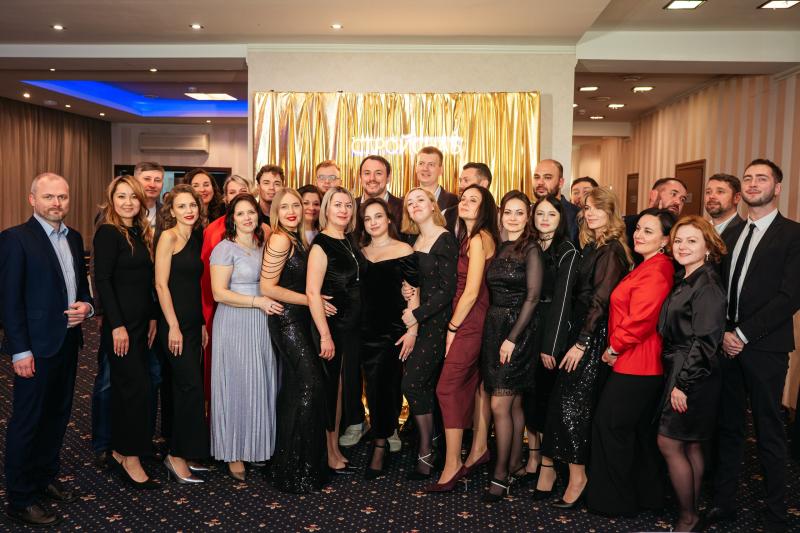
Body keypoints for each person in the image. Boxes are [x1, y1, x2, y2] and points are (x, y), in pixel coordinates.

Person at [707, 159, 800, 533]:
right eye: (747, 178)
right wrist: (722, 334)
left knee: (768, 429)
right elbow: (717, 289)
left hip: (764, 348)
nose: (753, 183)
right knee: (728, 427)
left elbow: (789, 297)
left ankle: (777, 513)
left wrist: (741, 335)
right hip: (725, 346)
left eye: (762, 178)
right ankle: (724, 502)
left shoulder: (793, 235)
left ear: (777, 188)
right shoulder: (730, 234)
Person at [0, 173, 94, 527]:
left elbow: (80, 289)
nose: (57, 203)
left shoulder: (74, 237)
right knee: (28, 421)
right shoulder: (15, 239)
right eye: (49, 197)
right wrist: (20, 351)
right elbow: (8, 302)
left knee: (57, 416)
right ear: (32, 200)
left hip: (68, 342)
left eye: (62, 197)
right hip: (34, 350)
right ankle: (20, 498)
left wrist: (87, 307)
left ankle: (43, 478)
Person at [541, 187, 632, 509]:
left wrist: (582, 342)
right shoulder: (592, 245)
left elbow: (600, 301)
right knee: (567, 406)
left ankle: (579, 478)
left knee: (573, 408)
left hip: (591, 337)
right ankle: (576, 474)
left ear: (611, 213)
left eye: (598, 208)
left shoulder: (611, 250)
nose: (590, 213)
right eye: (587, 208)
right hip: (581, 331)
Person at [587, 208, 676, 516]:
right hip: (635, 361)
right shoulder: (646, 265)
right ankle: (646, 496)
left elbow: (642, 319)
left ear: (665, 240)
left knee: (610, 427)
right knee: (633, 432)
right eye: (638, 228)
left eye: (648, 231)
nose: (638, 234)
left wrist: (614, 347)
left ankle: (617, 501)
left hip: (638, 363)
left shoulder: (659, 270)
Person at [92, 161, 166, 467]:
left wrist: (152, 316)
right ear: (112, 200)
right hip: (121, 325)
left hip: (141, 323)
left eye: (133, 197)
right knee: (126, 388)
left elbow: (146, 280)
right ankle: (121, 451)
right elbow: (103, 281)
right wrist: (116, 325)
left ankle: (134, 446)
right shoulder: (108, 232)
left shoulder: (139, 231)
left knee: (140, 387)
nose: (127, 202)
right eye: (121, 196)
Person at [656, 216, 727, 532]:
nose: (682, 246)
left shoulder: (707, 285)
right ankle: (693, 513)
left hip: (693, 372)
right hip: (684, 367)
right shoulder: (688, 278)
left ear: (708, 246)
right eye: (678, 240)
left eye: (692, 241)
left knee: (669, 442)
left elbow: (706, 341)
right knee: (691, 444)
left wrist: (683, 384)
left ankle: (688, 517)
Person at [425, 184, 498, 493]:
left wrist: (453, 329)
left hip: (470, 320)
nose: (465, 203)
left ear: (484, 208)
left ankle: (453, 462)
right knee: (472, 384)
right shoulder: (468, 237)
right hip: (466, 317)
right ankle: (479, 449)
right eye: (464, 198)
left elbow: (471, 292)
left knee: (447, 387)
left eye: (473, 200)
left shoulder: (479, 239)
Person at [261, 188, 332, 493]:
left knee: (295, 387)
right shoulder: (280, 239)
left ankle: (291, 467)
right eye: (285, 207)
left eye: (296, 205)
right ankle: (296, 469)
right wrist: (312, 301)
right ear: (276, 211)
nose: (291, 211)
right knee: (310, 385)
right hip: (287, 321)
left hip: (299, 320)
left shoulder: (298, 238)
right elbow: (267, 287)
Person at [209, 193, 279, 481]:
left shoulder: (265, 245)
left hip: (263, 322)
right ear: (232, 219)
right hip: (235, 321)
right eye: (240, 213)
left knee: (261, 381)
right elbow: (218, 293)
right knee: (238, 383)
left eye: (251, 212)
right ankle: (234, 451)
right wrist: (256, 302)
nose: (247, 217)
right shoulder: (225, 249)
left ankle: (257, 446)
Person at [478, 191, 543, 502]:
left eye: (520, 212)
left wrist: (512, 338)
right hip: (494, 327)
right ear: (501, 215)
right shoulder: (500, 246)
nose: (513, 218)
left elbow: (533, 297)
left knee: (499, 406)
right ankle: (515, 462)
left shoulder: (531, 249)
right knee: (513, 403)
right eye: (508, 212)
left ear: (527, 217)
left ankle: (500, 474)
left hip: (519, 330)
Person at [400, 187, 458, 480]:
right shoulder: (413, 240)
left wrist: (417, 314)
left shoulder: (445, 239)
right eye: (410, 202)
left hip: (435, 322)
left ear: (433, 205)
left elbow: (448, 290)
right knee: (420, 385)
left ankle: (427, 448)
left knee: (412, 383)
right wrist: (406, 291)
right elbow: (415, 280)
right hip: (418, 320)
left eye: (420, 199)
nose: (414, 205)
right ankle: (431, 442)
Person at [358, 198, 419, 479]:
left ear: (389, 219)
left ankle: (380, 444)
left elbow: (414, 292)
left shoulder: (404, 249)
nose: (373, 222)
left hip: (393, 331)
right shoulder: (360, 253)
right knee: (373, 387)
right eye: (368, 218)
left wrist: (412, 330)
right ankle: (384, 431)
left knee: (386, 386)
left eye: (378, 216)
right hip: (364, 330)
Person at [154, 184, 210, 484]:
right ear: (171, 211)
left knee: (187, 389)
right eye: (182, 206)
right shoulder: (169, 236)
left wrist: (200, 323)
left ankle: (186, 452)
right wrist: (173, 325)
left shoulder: (196, 237)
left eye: (192, 205)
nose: (189, 211)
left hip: (192, 324)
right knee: (191, 389)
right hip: (174, 325)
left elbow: (194, 287)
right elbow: (161, 285)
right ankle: (175, 456)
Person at [306, 186, 363, 473]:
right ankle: (328, 453)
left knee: (339, 391)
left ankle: (334, 448)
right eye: (337, 204)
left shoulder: (349, 240)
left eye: (348, 205)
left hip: (350, 328)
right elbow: (312, 292)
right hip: (331, 328)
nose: (343, 210)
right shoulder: (321, 244)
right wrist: (325, 335)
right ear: (326, 209)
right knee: (330, 391)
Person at [528, 195, 579, 497]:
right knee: (531, 397)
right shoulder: (531, 245)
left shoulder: (567, 250)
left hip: (552, 330)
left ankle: (548, 466)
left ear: (561, 219)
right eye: (540, 214)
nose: (545, 219)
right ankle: (533, 457)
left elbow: (563, 301)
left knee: (547, 401)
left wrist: (551, 345)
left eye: (551, 214)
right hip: (529, 328)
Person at [200, 175, 255, 416]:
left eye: (243, 190)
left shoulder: (260, 231)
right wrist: (205, 318)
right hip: (224, 309)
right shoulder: (214, 231)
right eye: (232, 192)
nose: (238, 195)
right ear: (225, 198)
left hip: (256, 316)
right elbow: (207, 281)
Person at [624, 178, 688, 263]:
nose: (678, 202)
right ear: (654, 195)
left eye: (682, 199)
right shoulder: (627, 224)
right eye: (673, 194)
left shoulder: (682, 233)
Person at [532, 159, 579, 242]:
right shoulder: (527, 212)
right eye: (536, 177)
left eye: (547, 177)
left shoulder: (577, 216)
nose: (540, 182)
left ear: (560, 182)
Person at [444, 163, 493, 233]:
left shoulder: (501, 217)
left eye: (466, 180)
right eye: (460, 181)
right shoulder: (446, 214)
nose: (460, 186)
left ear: (483, 184)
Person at [704, 173, 745, 246]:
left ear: (736, 198)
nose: (711, 196)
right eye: (708, 192)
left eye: (720, 192)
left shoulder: (744, 232)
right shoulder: (700, 229)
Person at [415, 146, 459, 211]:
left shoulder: (455, 202)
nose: (425, 168)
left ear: (441, 170)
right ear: (416, 168)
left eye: (431, 164)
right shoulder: (403, 202)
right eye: (421, 163)